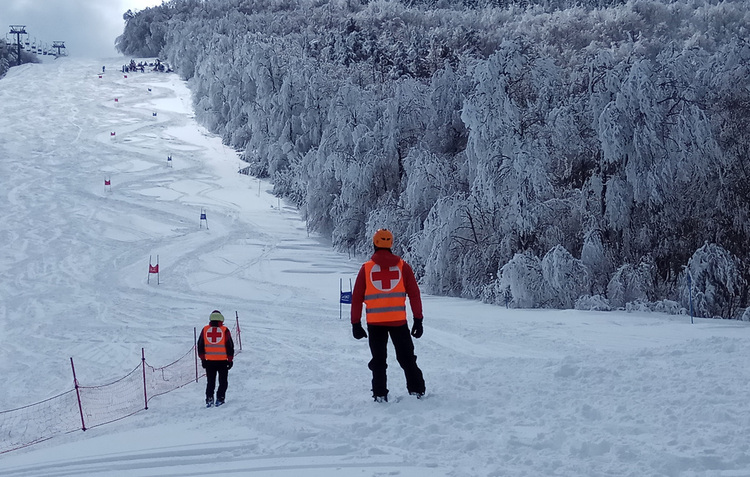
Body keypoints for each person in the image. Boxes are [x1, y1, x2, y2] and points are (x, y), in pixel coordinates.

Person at [351, 229, 425, 402]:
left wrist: (355, 323)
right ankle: (416, 390)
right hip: (398, 322)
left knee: (378, 360)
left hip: (375, 324)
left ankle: (380, 394)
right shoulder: (403, 267)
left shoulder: (366, 269)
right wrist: (418, 319)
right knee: (407, 358)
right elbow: (415, 295)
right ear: (391, 244)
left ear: (374, 244)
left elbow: (356, 298)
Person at [197, 310, 235, 406]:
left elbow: (200, 345)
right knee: (223, 382)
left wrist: (202, 359)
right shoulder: (225, 330)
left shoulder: (205, 330)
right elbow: (230, 346)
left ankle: (209, 399)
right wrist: (230, 360)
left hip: (209, 362)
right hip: (223, 362)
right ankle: (220, 399)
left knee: (210, 382)